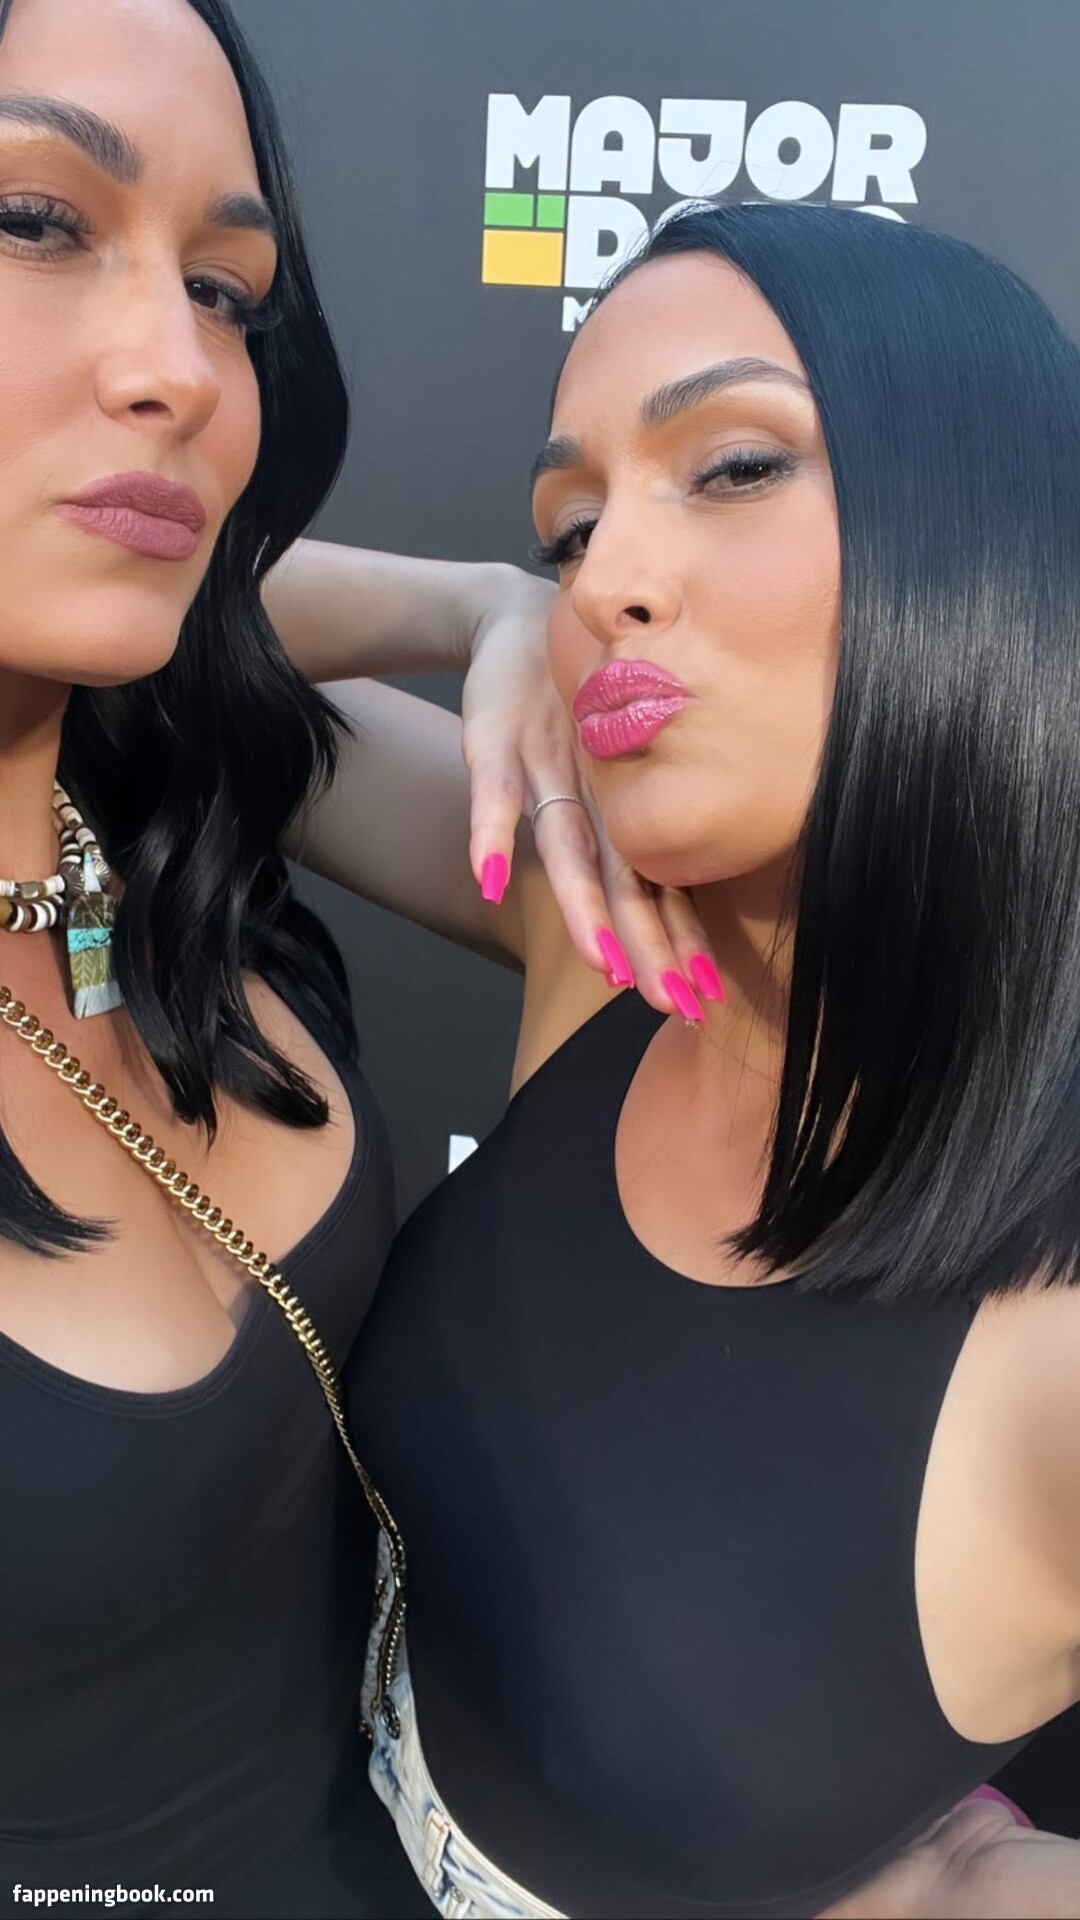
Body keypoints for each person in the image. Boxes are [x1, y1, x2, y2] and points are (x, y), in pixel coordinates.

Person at [0, 0, 703, 1913]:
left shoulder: (167, 778)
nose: (178, 368)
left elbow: (635, 910)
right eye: (38, 221)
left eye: (225, 290)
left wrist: (491, 607)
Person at [342, 205, 1080, 1918]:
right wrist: (478, 607)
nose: (605, 577)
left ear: (989, 516)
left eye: (734, 467)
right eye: (569, 526)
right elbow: (178, 666)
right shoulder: (599, 942)